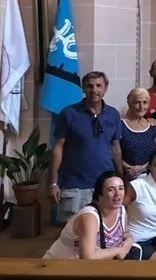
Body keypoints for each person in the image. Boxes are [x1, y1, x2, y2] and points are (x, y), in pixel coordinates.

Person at [49, 71, 123, 219]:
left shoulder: (113, 114)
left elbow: (116, 148)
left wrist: (121, 178)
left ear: (105, 88)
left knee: (103, 234)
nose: (94, 90)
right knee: (73, 236)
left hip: (105, 186)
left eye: (98, 86)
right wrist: (53, 183)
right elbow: (58, 149)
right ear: (83, 89)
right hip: (75, 185)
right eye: (89, 86)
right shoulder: (69, 113)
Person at [45, 171, 133, 260]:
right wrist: (118, 250)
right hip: (60, 266)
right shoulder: (89, 217)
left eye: (121, 188)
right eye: (111, 189)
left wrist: (127, 245)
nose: (117, 194)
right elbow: (88, 257)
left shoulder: (121, 210)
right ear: (99, 194)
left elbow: (126, 234)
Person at [119, 87, 156, 180]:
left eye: (145, 102)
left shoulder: (152, 127)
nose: (141, 107)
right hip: (127, 177)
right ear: (130, 103)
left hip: (150, 178)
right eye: (137, 102)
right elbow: (114, 151)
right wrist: (128, 167)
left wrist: (141, 168)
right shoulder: (120, 125)